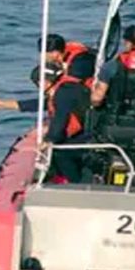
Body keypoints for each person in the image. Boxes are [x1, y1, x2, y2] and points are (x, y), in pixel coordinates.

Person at [43, 52, 96, 182]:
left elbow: (61, 118)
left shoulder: (65, 90)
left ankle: (75, 182)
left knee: (59, 153)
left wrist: (49, 140)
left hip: (88, 138)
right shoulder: (85, 89)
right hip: (93, 133)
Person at [0, 62, 64, 112]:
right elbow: (36, 104)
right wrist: (1, 104)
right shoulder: (59, 95)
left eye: (37, 84)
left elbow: (37, 104)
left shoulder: (62, 98)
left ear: (46, 82)